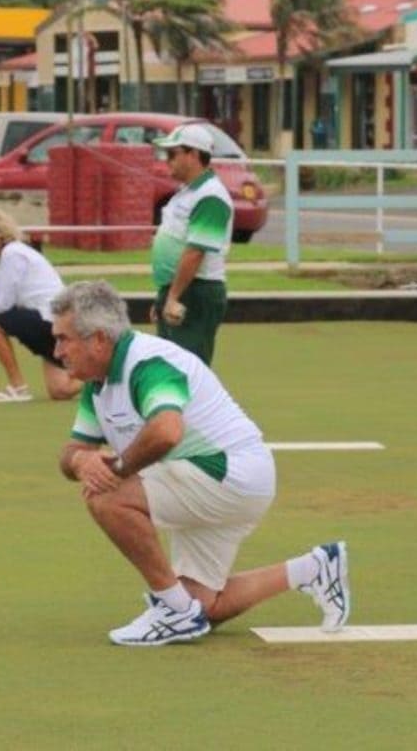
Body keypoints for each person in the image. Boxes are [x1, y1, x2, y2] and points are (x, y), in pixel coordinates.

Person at [52, 280, 349, 647]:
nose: (57, 350)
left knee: (106, 496)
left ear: (97, 339)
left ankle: (173, 610)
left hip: (228, 473)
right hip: (211, 481)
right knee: (203, 605)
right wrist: (82, 461)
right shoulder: (97, 383)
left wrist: (114, 470)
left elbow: (166, 431)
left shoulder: (146, 363)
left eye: (64, 339)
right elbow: (71, 452)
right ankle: (313, 567)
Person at [0, 208, 79, 404]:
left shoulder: (13, 254)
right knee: (60, 391)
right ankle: (103, 375)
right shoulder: (6, 257)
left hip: (51, 320)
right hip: (52, 323)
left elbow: (4, 302)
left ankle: (18, 388)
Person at [150, 123, 233, 366]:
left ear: (194, 155)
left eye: (173, 154)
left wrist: (174, 296)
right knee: (170, 367)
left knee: (187, 370)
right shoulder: (187, 192)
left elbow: (195, 252)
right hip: (180, 288)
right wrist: (164, 296)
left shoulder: (210, 196)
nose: (168, 160)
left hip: (197, 291)